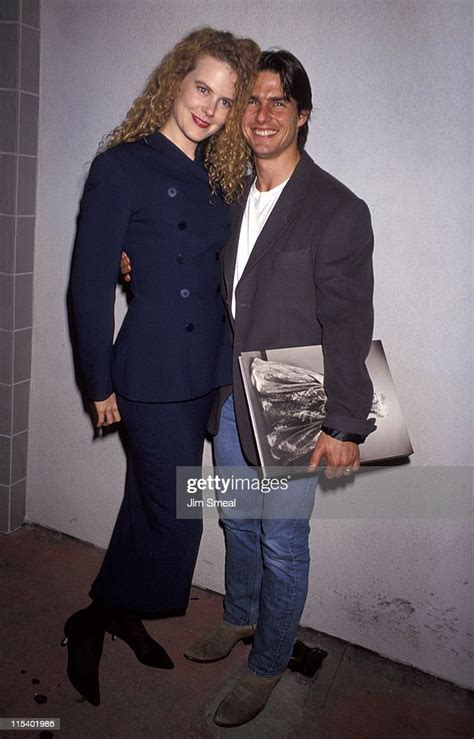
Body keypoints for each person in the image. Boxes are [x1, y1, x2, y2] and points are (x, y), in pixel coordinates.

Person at [121, 49, 375, 727]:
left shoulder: (336, 208)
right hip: (230, 397)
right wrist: (136, 262)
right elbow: (200, 273)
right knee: (236, 519)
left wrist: (346, 424)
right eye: (253, 100)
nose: (261, 114)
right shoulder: (229, 194)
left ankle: (267, 661)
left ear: (302, 117)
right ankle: (239, 619)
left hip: (296, 399)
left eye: (278, 103)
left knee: (282, 540)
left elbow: (349, 322)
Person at [67, 27, 259, 707]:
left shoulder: (222, 179)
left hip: (208, 368)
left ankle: (115, 610)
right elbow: (88, 284)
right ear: (175, 80)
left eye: (225, 99)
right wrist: (99, 383)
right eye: (202, 86)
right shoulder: (122, 165)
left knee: (146, 505)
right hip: (146, 374)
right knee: (178, 513)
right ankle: (93, 620)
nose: (210, 106)